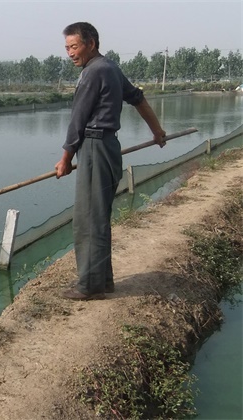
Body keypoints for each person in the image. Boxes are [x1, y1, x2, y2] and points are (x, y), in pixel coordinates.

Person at [55, 22, 166, 301]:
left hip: (94, 147)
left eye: (74, 46)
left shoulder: (94, 72)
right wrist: (157, 131)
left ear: (91, 43)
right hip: (109, 147)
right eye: (67, 47)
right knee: (99, 215)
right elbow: (138, 99)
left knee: (89, 219)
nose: (70, 53)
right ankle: (103, 281)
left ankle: (90, 286)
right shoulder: (111, 68)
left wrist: (66, 157)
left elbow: (78, 121)